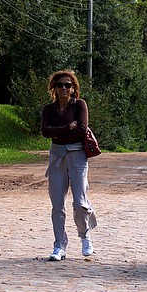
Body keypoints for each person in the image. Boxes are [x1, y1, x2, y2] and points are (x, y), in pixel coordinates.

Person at [41, 70, 97, 261]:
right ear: (54, 88)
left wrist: (59, 133)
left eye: (68, 85)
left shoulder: (79, 105)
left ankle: (85, 236)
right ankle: (59, 245)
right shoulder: (49, 109)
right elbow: (45, 132)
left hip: (77, 155)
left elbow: (81, 129)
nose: (64, 88)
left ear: (73, 88)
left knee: (80, 201)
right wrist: (67, 127)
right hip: (57, 156)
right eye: (60, 85)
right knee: (57, 204)